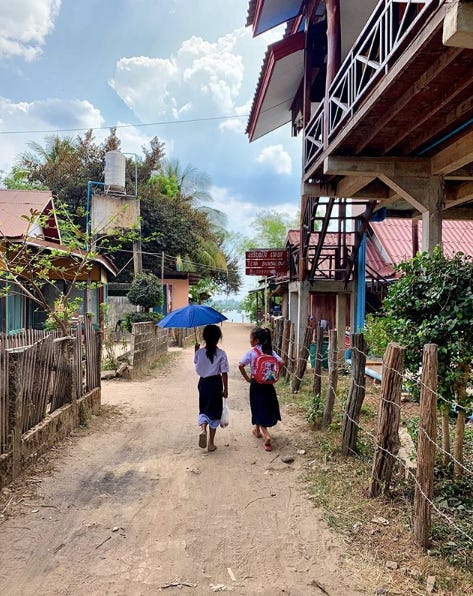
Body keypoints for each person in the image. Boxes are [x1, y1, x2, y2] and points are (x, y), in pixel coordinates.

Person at [238, 327, 282, 452]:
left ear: (256, 340)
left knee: (258, 407)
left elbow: (241, 365)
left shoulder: (252, 352)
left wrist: (248, 378)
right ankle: (256, 430)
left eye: (250, 338)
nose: (250, 340)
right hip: (268, 384)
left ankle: (266, 436)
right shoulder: (270, 351)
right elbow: (282, 362)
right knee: (263, 407)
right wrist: (275, 374)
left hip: (256, 384)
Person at [194, 324, 229, 452]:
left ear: (204, 337)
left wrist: (196, 351)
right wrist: (226, 389)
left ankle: (203, 430)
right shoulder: (221, 354)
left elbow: (197, 364)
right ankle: (211, 443)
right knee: (214, 412)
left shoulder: (199, 352)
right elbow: (224, 372)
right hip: (215, 384)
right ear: (218, 338)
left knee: (204, 408)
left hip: (203, 383)